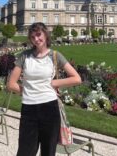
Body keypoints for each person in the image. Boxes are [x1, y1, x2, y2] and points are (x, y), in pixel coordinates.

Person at [7, 22, 81, 156]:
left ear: (46, 35)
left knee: (48, 152)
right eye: (33, 37)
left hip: (49, 108)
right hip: (29, 109)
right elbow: (11, 84)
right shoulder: (25, 56)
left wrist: (55, 83)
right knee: (25, 152)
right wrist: (28, 91)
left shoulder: (55, 56)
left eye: (38, 35)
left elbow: (76, 78)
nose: (36, 39)